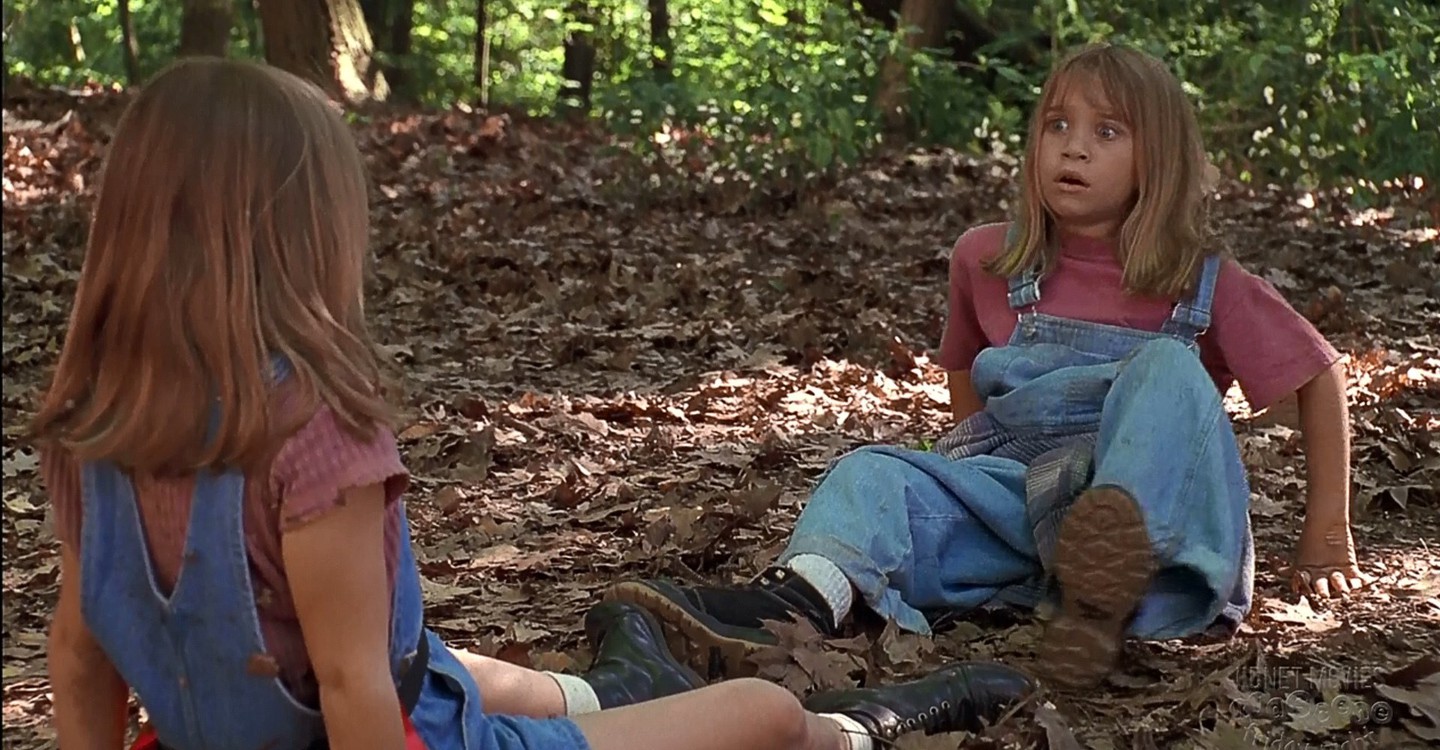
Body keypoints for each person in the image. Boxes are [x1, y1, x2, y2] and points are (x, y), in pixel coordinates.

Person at [33, 58, 1034, 750]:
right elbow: (327, 686)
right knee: (731, 719)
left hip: (358, 714)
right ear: (302, 237)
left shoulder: (107, 421)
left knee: (737, 720)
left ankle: (719, 700)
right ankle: (733, 703)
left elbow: (99, 654)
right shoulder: (268, 434)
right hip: (376, 720)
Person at [608, 42, 1363, 690]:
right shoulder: (990, 259)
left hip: (1155, 521)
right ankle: (795, 605)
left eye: (1107, 131)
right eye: (1057, 125)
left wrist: (1326, 530)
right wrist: (956, 487)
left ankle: (1105, 591)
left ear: (1158, 160)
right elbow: (968, 389)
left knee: (1166, 367)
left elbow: (1317, 373)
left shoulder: (1203, 281)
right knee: (873, 471)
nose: (1073, 148)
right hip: (1019, 510)